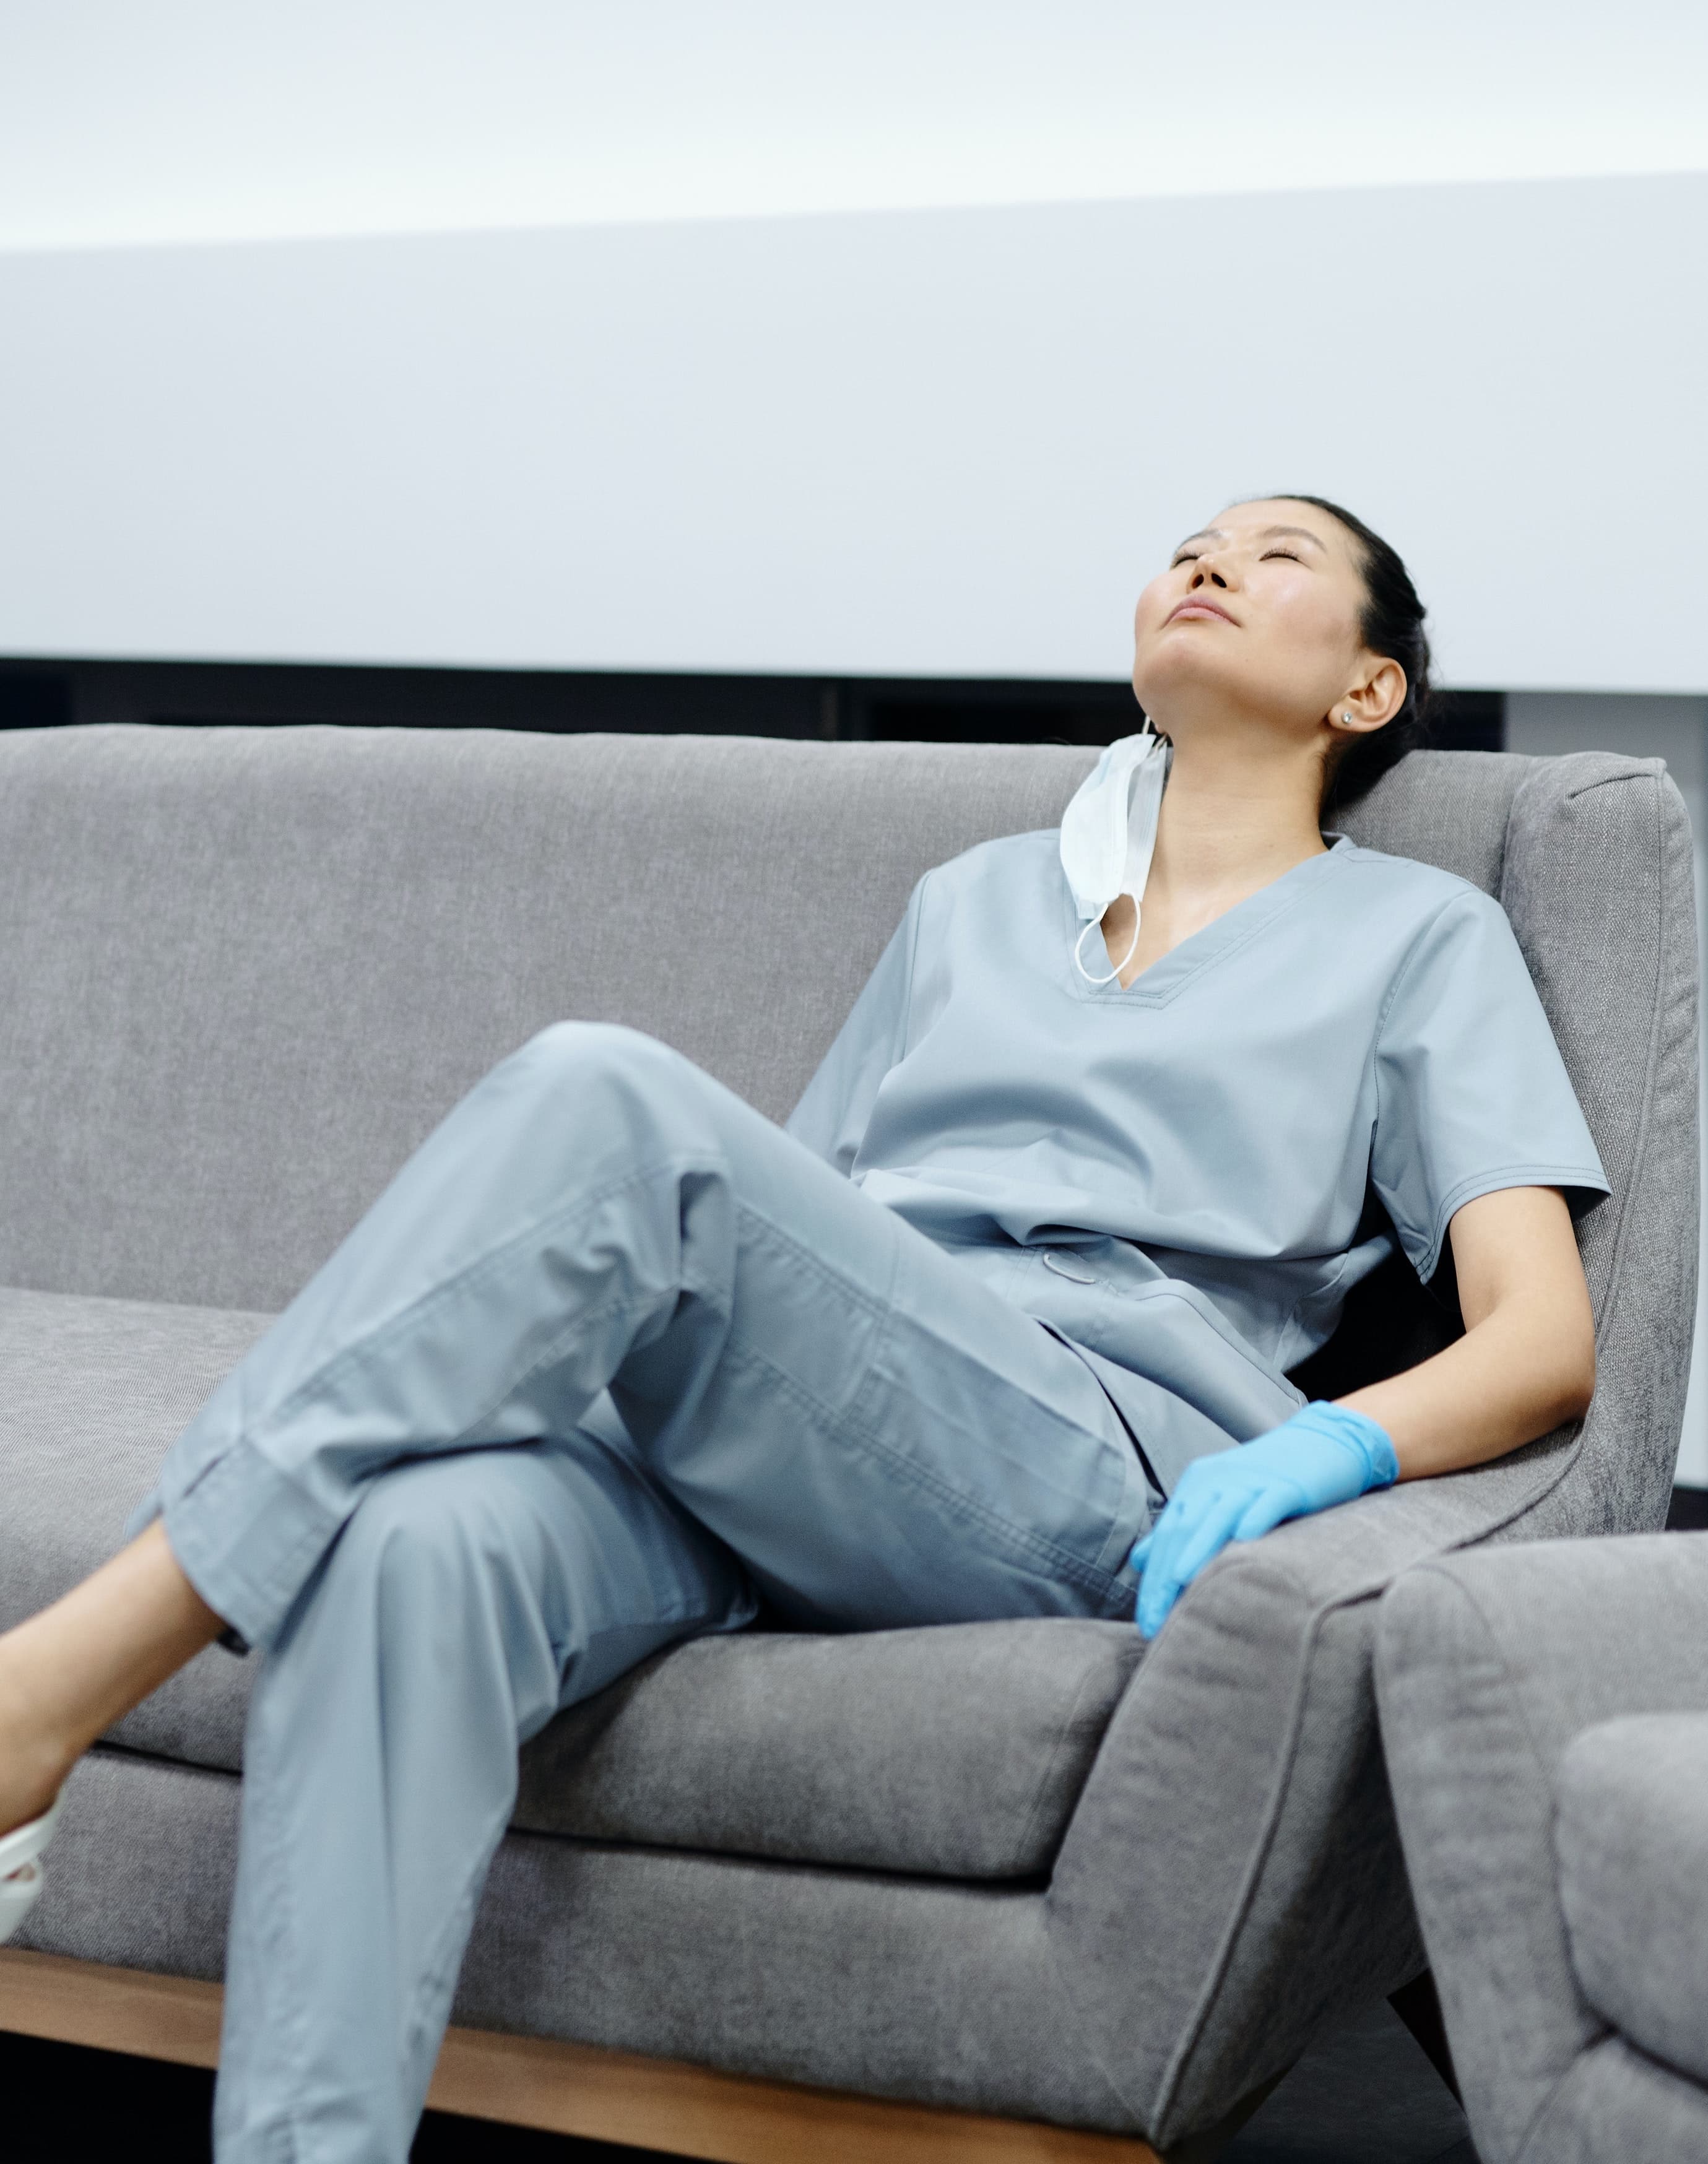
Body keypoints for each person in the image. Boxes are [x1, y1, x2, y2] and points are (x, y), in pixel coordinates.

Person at [0, 496, 1605, 2161]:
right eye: (1188, 543)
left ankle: (48, 1693)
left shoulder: (1422, 938)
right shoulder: (973, 902)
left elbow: (1540, 1336)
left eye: (1276, 557)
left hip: (1066, 1448)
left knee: (604, 1093)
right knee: (421, 1541)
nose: (1207, 563)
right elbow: (806, 1217)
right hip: (819, 1425)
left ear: (1368, 692)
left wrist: (1332, 1442)